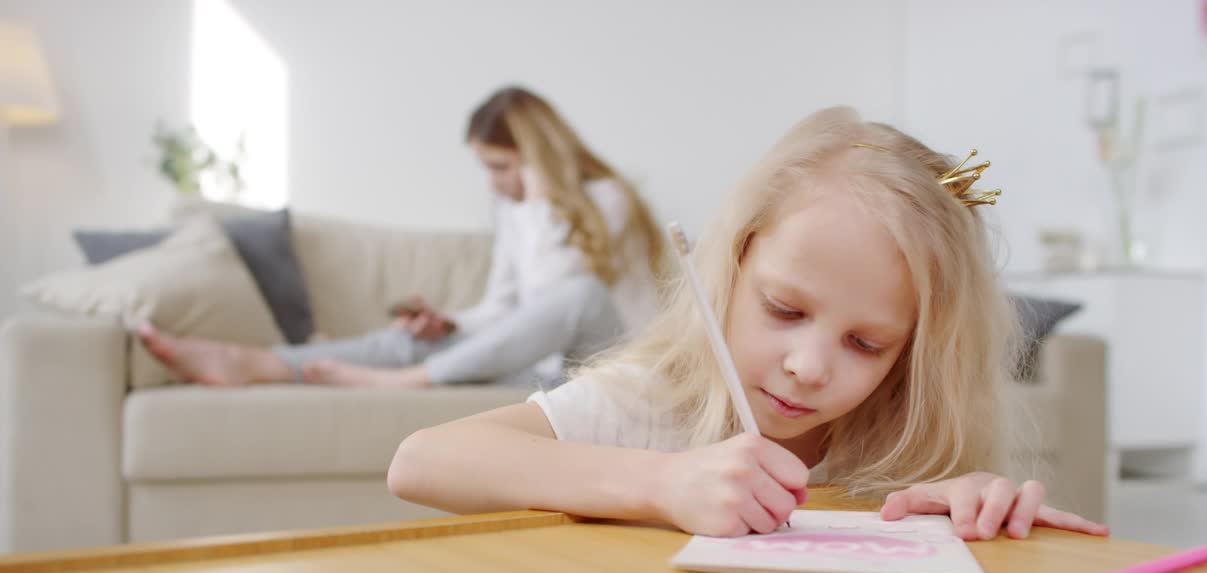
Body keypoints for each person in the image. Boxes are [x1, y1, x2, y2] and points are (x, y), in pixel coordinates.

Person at [384, 106, 1112, 540]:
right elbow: (420, 461)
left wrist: (967, 508)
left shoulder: (899, 442)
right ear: (730, 266)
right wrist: (663, 485)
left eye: (866, 343)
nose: (809, 366)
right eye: (785, 310)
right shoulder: (649, 401)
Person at [138, 86, 665, 389]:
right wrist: (451, 322)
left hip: (604, 365)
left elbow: (562, 299)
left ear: (537, 156)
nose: (494, 183)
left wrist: (542, 193)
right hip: (539, 368)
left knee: (580, 295)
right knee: (414, 337)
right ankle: (251, 363)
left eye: (502, 166)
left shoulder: (608, 198)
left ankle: (408, 381)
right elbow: (506, 307)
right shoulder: (511, 208)